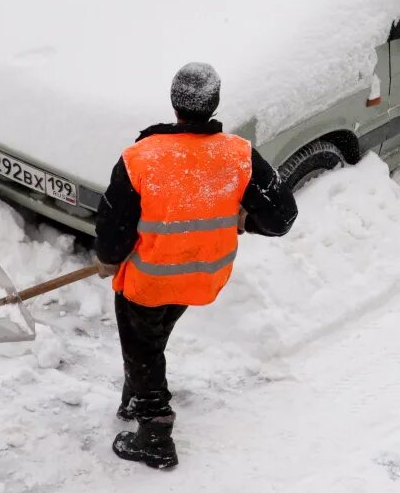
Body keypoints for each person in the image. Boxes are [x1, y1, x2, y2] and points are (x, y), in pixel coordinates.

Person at [94, 62, 298, 469]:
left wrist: (108, 257)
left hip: (150, 279)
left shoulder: (140, 159)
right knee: (149, 344)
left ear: (175, 104)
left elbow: (113, 229)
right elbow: (283, 216)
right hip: (203, 275)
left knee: (143, 346)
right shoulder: (239, 155)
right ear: (214, 103)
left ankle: (155, 434)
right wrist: (246, 221)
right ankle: (136, 396)